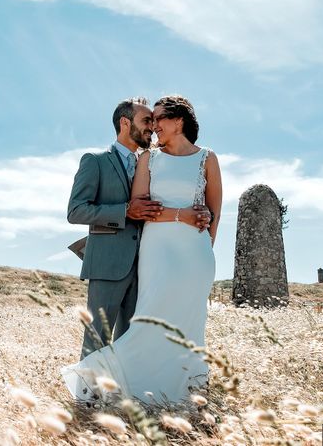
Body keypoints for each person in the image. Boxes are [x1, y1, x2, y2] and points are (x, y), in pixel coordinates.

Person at [62, 94, 222, 405]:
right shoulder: (97, 161)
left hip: (159, 261)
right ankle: (87, 400)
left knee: (141, 332)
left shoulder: (167, 158)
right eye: (146, 120)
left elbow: (211, 208)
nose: (152, 126)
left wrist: (203, 239)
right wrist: (127, 210)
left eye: (156, 119)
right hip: (115, 260)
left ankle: (137, 397)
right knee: (99, 334)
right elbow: (77, 211)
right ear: (125, 123)